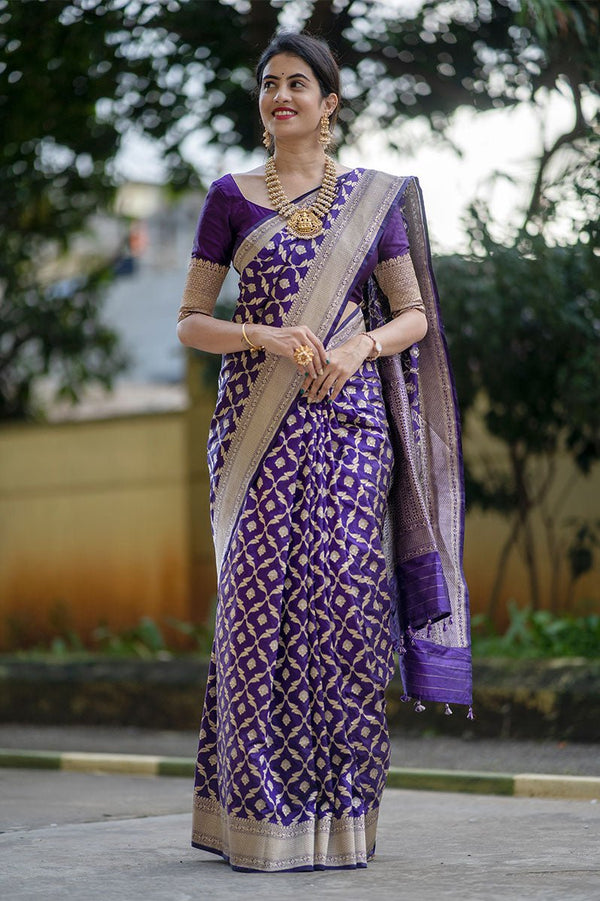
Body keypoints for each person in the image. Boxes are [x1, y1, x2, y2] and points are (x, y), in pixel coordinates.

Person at [177, 32, 472, 873]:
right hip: (254, 433)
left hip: (350, 430)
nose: (280, 97)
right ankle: (258, 821)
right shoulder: (230, 196)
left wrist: (359, 350)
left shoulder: (371, 203)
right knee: (254, 618)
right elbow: (191, 320)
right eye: (270, 84)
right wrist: (261, 331)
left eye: (298, 84)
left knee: (345, 610)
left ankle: (339, 818)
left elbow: (413, 315)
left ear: (329, 103)